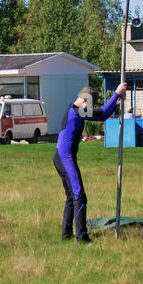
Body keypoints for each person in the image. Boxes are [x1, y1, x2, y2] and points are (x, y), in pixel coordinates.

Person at [54, 82, 127, 244]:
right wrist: (116, 93)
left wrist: (115, 103)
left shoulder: (72, 109)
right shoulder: (78, 111)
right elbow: (101, 115)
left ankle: (66, 235)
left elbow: (101, 114)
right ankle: (82, 237)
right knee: (79, 196)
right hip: (65, 158)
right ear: (85, 101)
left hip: (59, 157)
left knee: (71, 196)